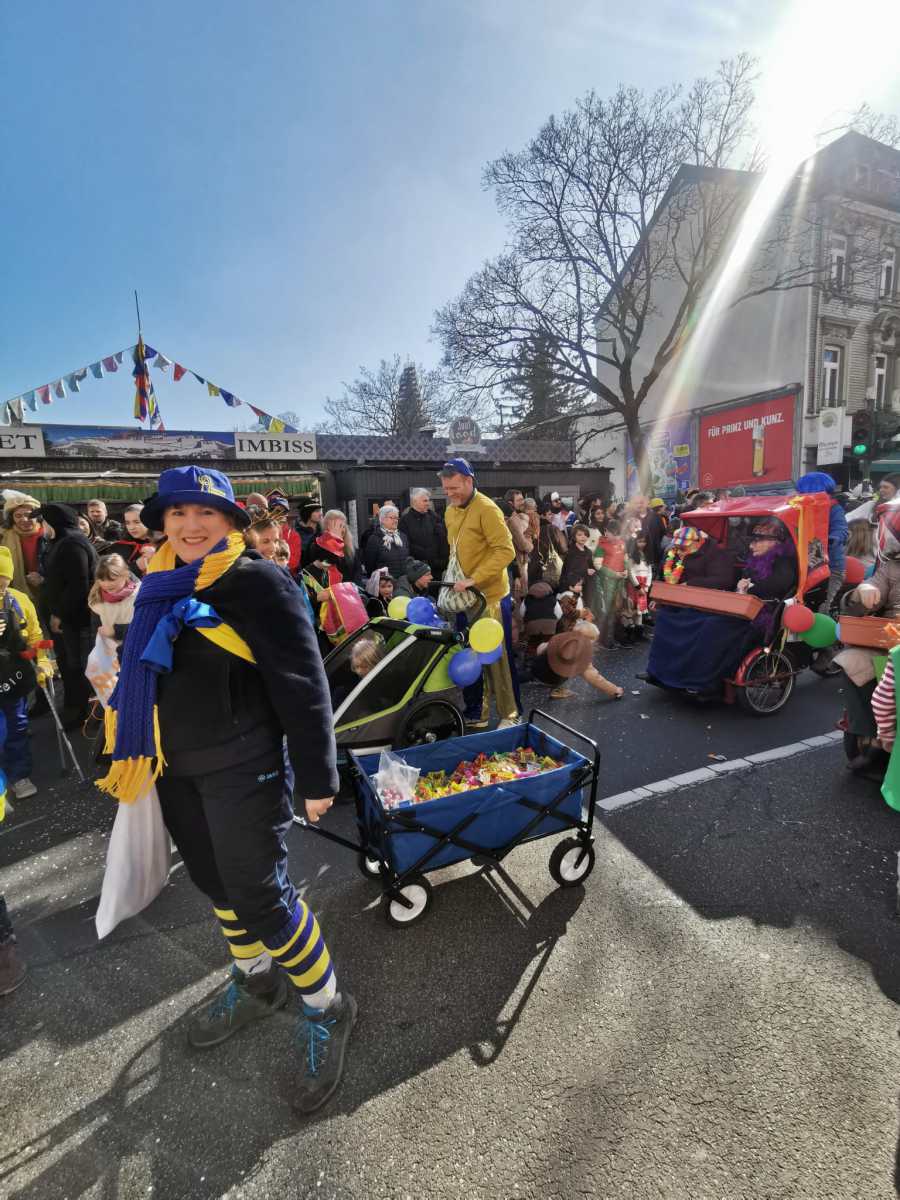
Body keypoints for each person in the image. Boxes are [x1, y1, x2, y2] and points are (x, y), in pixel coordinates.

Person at [97, 465, 354, 1113]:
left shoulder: (257, 581)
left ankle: (328, 1005)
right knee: (216, 884)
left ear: (231, 521)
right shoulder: (157, 581)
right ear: (162, 522)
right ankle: (257, 981)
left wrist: (318, 776)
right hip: (174, 766)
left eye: (205, 512)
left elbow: (302, 678)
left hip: (247, 764)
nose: (190, 525)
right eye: (177, 513)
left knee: (262, 895)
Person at [440, 458, 520, 728]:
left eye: (454, 488)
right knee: (471, 652)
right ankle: (478, 711)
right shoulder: (450, 511)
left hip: (490, 596)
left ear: (469, 480)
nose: (449, 494)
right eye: (446, 489)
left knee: (497, 657)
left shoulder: (488, 509)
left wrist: (475, 579)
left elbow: (506, 551)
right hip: (465, 596)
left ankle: (511, 714)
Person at [836, 503, 900, 771]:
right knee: (851, 660)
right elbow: (871, 588)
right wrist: (861, 592)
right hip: (889, 642)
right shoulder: (892, 568)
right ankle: (871, 734)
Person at [0, 545, 54, 799]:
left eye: (3, 583)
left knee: (16, 726)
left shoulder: (19, 600)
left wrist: (43, 661)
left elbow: (35, 635)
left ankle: (19, 775)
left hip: (14, 675)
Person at [39, 503, 98, 725]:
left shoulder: (72, 545)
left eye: (43, 521)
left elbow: (78, 585)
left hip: (75, 620)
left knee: (78, 666)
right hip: (69, 619)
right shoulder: (63, 542)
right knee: (70, 665)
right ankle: (75, 708)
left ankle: (81, 714)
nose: (42, 526)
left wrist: (59, 614)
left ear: (54, 523)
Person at [532, 622, 624, 701]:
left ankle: (546, 680)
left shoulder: (563, 637)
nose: (594, 643)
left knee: (561, 662)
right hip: (548, 677)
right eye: (593, 640)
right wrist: (614, 690)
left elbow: (541, 647)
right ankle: (555, 689)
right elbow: (593, 676)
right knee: (570, 667)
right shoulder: (580, 652)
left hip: (536, 666)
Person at [796, 471, 848, 607]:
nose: (801, 495)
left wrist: (832, 539)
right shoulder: (800, 509)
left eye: (804, 493)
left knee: (823, 604)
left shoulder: (834, 509)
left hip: (830, 567)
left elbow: (841, 529)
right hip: (805, 566)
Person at [735, 520, 798, 601]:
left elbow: (776, 588)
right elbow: (745, 583)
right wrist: (740, 589)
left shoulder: (784, 562)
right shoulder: (754, 561)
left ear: (775, 542)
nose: (751, 546)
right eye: (752, 540)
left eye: (758, 540)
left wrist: (748, 590)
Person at [0, 492, 44, 607]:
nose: (24, 519)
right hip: (15, 594)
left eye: (29, 515)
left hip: (47, 591)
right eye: (18, 516)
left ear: (38, 516)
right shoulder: (4, 536)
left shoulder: (48, 534)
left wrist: (43, 578)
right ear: (12, 518)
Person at [661, 526, 737, 590]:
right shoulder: (673, 552)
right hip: (673, 594)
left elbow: (723, 580)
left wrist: (690, 584)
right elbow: (664, 573)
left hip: (702, 596)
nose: (679, 547)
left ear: (698, 541)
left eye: (684, 545)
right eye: (677, 544)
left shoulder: (715, 552)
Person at [88, 553, 140, 644]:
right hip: (110, 650)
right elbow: (95, 632)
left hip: (135, 647)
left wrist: (116, 631)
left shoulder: (140, 594)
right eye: (102, 579)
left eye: (112, 579)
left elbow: (144, 626)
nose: (106, 584)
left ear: (125, 575)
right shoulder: (97, 600)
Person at [399, 488, 448, 580]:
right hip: (417, 570)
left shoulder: (434, 517)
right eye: (425, 501)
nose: (428, 503)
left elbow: (442, 539)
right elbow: (405, 544)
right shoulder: (404, 521)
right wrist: (424, 555)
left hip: (435, 568)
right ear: (414, 501)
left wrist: (441, 561)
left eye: (428, 500)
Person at [101, 503, 154, 572]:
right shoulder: (117, 547)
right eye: (127, 523)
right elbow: (111, 574)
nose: (131, 527)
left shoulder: (162, 544)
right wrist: (137, 566)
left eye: (137, 522)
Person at [364, 505, 409, 580]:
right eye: (392, 518)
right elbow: (370, 565)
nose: (395, 521)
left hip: (403, 581)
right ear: (382, 519)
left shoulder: (403, 536)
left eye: (397, 518)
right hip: (385, 582)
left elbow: (407, 558)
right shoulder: (374, 539)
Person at [266, 490, 302, 573]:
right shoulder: (263, 533)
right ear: (269, 512)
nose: (279, 514)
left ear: (287, 514)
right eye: (275, 510)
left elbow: (294, 562)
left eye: (283, 511)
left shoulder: (293, 535)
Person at [559, 524, 594, 594]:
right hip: (570, 585)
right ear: (574, 537)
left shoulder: (588, 552)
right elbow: (569, 572)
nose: (583, 537)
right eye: (579, 535)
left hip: (584, 584)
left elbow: (590, 568)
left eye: (585, 535)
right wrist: (585, 571)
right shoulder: (571, 552)